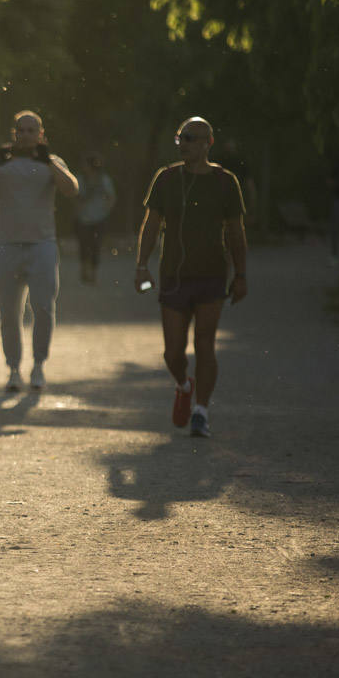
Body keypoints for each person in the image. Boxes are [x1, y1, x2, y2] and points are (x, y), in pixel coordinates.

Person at [134, 117, 248, 438]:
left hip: (211, 275)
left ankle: (201, 411)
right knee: (172, 352)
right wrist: (141, 265)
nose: (184, 144)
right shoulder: (167, 179)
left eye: (192, 138)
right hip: (174, 275)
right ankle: (184, 385)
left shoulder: (225, 182)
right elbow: (151, 224)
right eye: (181, 138)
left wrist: (241, 275)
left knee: (205, 344)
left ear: (208, 143)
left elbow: (236, 233)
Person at [0, 110, 78, 392]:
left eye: (31, 130)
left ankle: (38, 365)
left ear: (41, 134)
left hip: (42, 246)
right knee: (9, 313)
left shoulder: (51, 162)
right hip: (8, 247)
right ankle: (13, 369)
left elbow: (71, 189)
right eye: (20, 130)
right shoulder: (2, 163)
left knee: (42, 308)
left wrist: (49, 161)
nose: (25, 135)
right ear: (13, 133)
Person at [75, 154, 115, 284]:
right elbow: (75, 196)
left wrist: (106, 210)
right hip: (83, 218)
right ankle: (84, 270)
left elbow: (111, 196)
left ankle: (93, 273)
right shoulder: (80, 179)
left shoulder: (103, 180)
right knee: (84, 246)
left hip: (99, 218)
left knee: (95, 246)